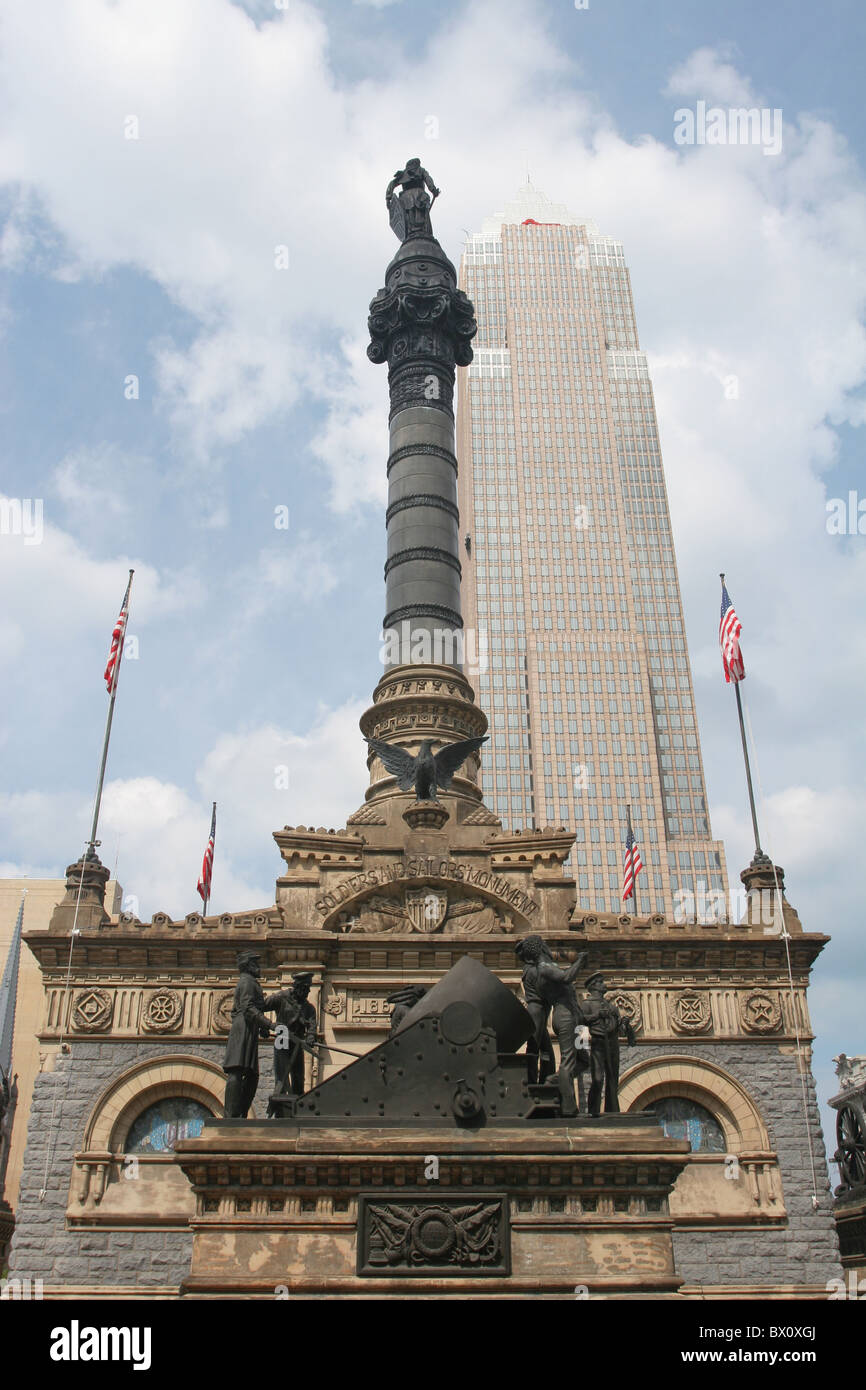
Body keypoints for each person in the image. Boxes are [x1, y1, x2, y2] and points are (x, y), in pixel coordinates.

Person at [514, 937, 587, 1116]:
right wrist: (579, 961)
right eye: (544, 945)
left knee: (584, 1060)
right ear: (540, 948)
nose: (547, 947)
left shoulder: (547, 965)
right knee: (568, 1061)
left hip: (577, 1020)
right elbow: (567, 977)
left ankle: (553, 1080)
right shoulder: (544, 968)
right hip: (565, 1018)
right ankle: (569, 1108)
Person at [222, 951, 273, 1118]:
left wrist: (262, 1027)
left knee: (252, 1075)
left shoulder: (252, 982)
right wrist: (270, 1024)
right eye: (255, 964)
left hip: (249, 1029)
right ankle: (231, 1115)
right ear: (248, 965)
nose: (259, 967)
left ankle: (240, 1113)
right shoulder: (246, 982)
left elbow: (257, 1006)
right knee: (237, 1070)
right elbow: (248, 1007)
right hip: (242, 1029)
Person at [580, 972, 636, 1116]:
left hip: (612, 1043)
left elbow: (620, 1031)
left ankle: (612, 1112)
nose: (604, 984)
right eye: (600, 982)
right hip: (598, 1043)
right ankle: (594, 1112)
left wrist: (624, 1024)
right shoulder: (587, 1004)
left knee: (612, 1080)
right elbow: (579, 1021)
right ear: (594, 986)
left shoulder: (612, 1007)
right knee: (598, 1079)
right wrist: (597, 1016)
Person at [265, 972, 318, 1113]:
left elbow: (312, 1026)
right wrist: (266, 1026)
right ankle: (280, 1108)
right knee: (282, 1076)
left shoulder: (309, 1008)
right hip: (282, 1041)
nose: (307, 992)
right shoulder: (282, 997)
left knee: (298, 1077)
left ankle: (298, 1107)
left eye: (308, 989)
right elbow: (260, 1007)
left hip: (296, 1044)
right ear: (298, 987)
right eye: (306, 988)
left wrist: (311, 1036)